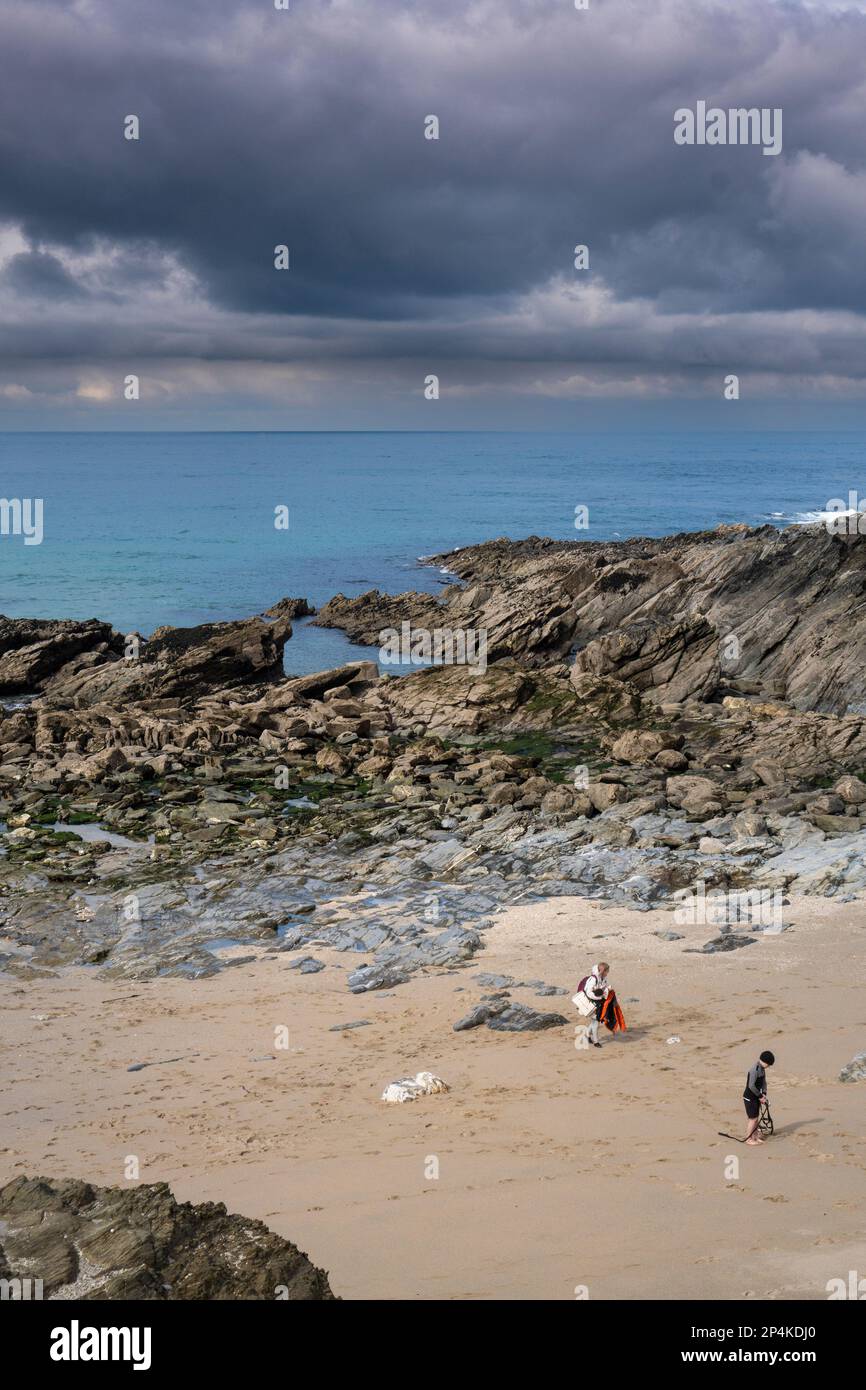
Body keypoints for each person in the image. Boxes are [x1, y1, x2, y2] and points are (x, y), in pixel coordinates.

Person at [573, 962, 610, 1048]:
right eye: (607, 971)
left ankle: (586, 1035)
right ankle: (595, 1041)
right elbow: (589, 993)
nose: (608, 973)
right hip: (590, 1002)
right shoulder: (593, 979)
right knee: (596, 1022)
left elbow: (602, 988)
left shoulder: (602, 978)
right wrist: (600, 997)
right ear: (603, 971)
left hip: (596, 1002)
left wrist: (606, 991)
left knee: (594, 1021)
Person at [743, 1050, 775, 1145]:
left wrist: (764, 1093)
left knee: (756, 1118)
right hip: (749, 1098)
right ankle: (748, 1139)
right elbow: (751, 1086)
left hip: (756, 1097)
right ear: (764, 1061)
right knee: (752, 1119)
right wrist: (760, 1096)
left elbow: (764, 1082)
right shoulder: (754, 1070)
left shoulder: (762, 1069)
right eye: (768, 1064)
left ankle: (755, 1137)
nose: (768, 1066)